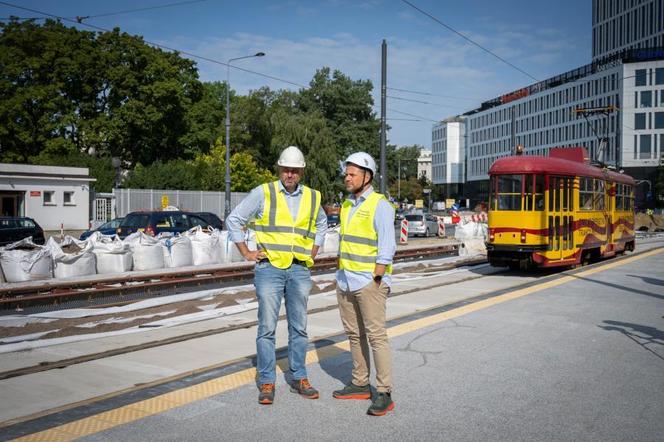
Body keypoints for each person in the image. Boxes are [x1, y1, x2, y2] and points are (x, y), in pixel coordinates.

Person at [226, 145, 327, 405]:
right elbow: (234, 220)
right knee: (267, 328)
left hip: (299, 268)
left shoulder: (313, 197)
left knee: (299, 328)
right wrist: (247, 252)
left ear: (301, 171)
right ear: (279, 169)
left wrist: (313, 252)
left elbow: (322, 224)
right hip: (269, 269)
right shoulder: (264, 192)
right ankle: (267, 380)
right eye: (286, 169)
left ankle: (299, 376)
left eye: (295, 170)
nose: (290, 174)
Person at [333, 152, 397, 416]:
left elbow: (387, 246)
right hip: (346, 280)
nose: (347, 178)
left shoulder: (380, 205)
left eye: (352, 174)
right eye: (346, 173)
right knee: (354, 335)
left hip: (369, 282)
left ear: (367, 176)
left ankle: (384, 392)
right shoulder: (348, 205)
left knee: (376, 337)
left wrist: (377, 278)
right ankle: (360, 383)